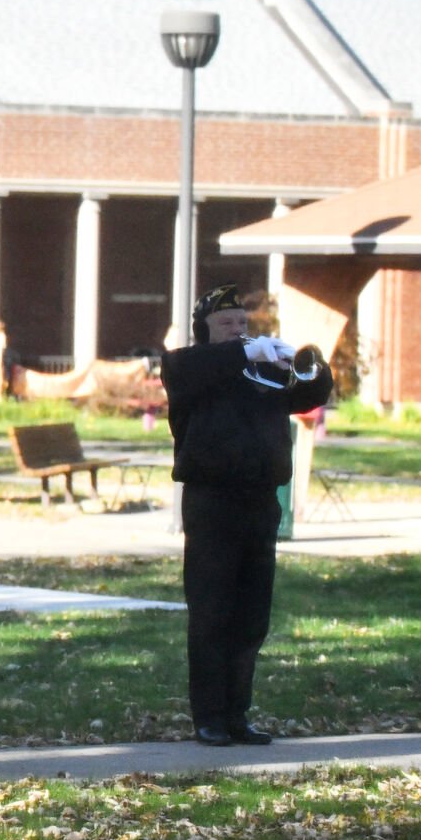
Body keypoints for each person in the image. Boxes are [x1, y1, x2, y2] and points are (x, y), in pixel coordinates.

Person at [162, 283, 331, 747]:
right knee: (212, 611)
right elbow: (190, 368)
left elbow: (310, 394)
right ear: (205, 333)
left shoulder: (264, 372)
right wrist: (244, 353)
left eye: (243, 324)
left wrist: (301, 362)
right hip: (212, 501)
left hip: (260, 501)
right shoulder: (187, 366)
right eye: (227, 325)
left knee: (251, 617)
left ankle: (238, 714)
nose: (238, 332)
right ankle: (209, 717)